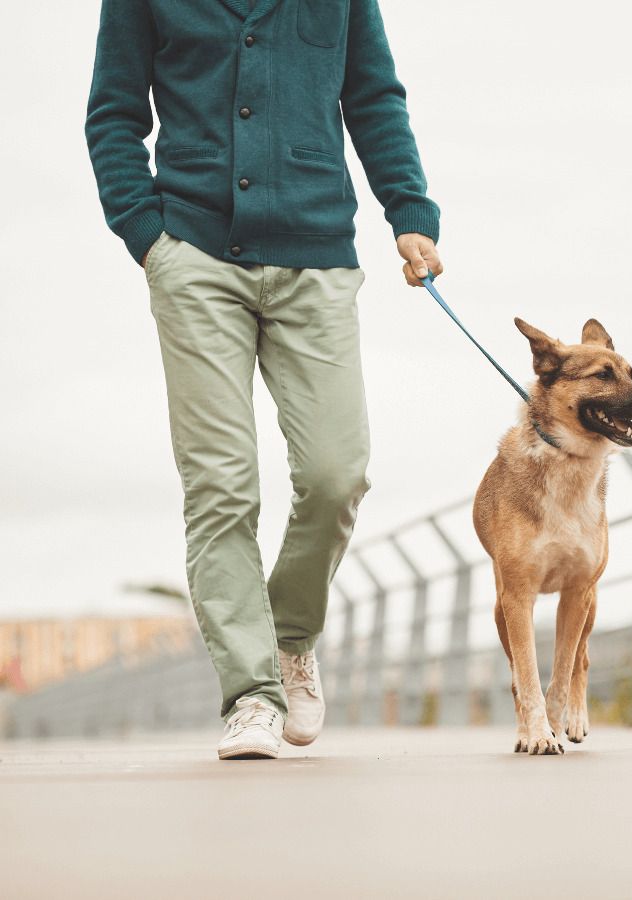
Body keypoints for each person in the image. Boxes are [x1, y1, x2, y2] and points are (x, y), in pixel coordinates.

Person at [84, 0, 443, 759]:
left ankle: (290, 640)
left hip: (318, 255)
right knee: (221, 484)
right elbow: (114, 113)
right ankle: (251, 694)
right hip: (193, 254)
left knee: (336, 474)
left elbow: (372, 94)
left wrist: (407, 207)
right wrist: (146, 235)